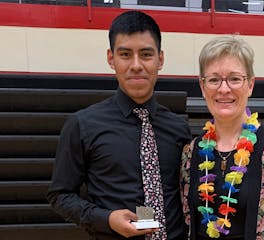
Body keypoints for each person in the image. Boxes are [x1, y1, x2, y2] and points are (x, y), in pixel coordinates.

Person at [47, 10, 191, 240]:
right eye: (125, 54)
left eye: (146, 54)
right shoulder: (82, 125)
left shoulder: (179, 128)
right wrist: (106, 219)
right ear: (111, 59)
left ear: (160, 59)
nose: (136, 65)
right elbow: (60, 196)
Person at [181, 36, 264, 239]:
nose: (224, 89)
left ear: (250, 84)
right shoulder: (192, 152)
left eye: (234, 79)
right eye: (214, 79)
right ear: (203, 87)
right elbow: (187, 224)